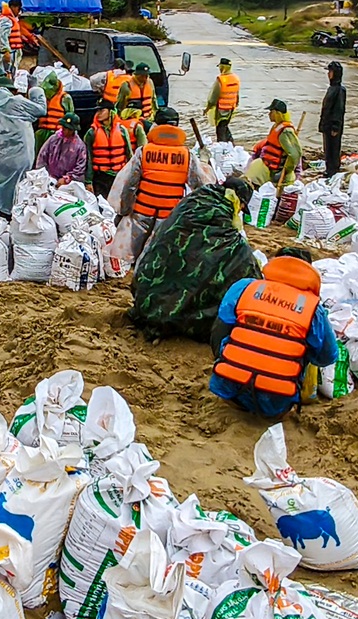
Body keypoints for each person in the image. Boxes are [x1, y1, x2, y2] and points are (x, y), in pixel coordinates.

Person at [209, 247, 340, 420]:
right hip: (275, 404)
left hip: (226, 389)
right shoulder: (314, 309)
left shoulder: (245, 287)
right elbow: (327, 357)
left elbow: (219, 331)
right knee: (305, 342)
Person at [129, 177, 262, 339]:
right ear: (237, 201)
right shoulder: (219, 219)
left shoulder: (196, 199)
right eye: (241, 207)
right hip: (172, 307)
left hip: (147, 288)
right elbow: (235, 254)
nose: (240, 212)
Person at [111, 105, 213, 266]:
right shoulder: (187, 155)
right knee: (160, 259)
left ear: (156, 126)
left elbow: (129, 185)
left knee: (133, 259)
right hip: (169, 215)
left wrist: (124, 210)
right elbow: (200, 186)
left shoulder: (143, 151)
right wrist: (205, 161)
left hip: (141, 215)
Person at [0, 65, 42, 215]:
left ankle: (3, 219)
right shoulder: (15, 102)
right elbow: (41, 110)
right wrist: (35, 89)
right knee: (20, 196)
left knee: (0, 199)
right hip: (20, 160)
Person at [244, 99, 303, 190]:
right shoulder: (276, 126)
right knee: (249, 175)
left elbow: (295, 154)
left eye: (271, 112)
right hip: (267, 164)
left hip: (278, 170)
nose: (269, 114)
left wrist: (287, 170)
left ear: (277, 113)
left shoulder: (286, 131)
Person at [87, 99, 139, 198]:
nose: (98, 114)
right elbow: (88, 158)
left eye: (102, 110)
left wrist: (132, 177)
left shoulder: (122, 130)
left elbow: (129, 155)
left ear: (110, 111)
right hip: (100, 176)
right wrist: (88, 181)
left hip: (119, 176)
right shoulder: (91, 133)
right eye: (97, 111)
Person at [35, 111, 88, 185]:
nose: (65, 130)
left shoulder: (80, 146)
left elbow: (80, 167)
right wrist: (42, 175)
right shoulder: (53, 139)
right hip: (49, 178)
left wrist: (67, 178)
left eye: (69, 129)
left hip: (69, 183)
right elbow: (42, 157)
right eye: (64, 127)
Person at [320, 60, 346, 177]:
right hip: (327, 124)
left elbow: (338, 110)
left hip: (333, 125)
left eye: (330, 72)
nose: (328, 74)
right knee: (327, 148)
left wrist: (336, 126)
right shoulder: (331, 88)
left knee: (334, 148)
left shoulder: (339, 90)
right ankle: (328, 168)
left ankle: (333, 170)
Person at [205, 56, 240, 143]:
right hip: (231, 107)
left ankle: (223, 146)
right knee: (224, 126)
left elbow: (213, 98)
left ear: (222, 67)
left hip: (221, 108)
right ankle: (230, 143)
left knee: (220, 129)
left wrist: (207, 108)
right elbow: (237, 94)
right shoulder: (235, 78)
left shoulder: (221, 79)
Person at [34, 71, 68, 152]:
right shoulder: (42, 98)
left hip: (57, 132)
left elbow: (70, 115)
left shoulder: (65, 98)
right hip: (42, 133)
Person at [0, 0, 29, 73]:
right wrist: (5, 51)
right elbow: (2, 36)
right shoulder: (6, 20)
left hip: (13, 52)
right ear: (13, 7)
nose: (19, 11)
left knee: (12, 72)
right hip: (9, 52)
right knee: (7, 73)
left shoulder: (12, 19)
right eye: (18, 8)